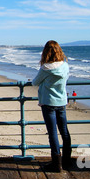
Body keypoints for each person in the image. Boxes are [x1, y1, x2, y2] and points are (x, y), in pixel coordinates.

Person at [32, 40, 72, 172]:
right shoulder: (65, 66)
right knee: (64, 131)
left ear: (46, 53)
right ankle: (67, 160)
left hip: (48, 102)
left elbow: (35, 82)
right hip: (61, 101)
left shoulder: (46, 68)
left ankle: (56, 163)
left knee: (53, 132)